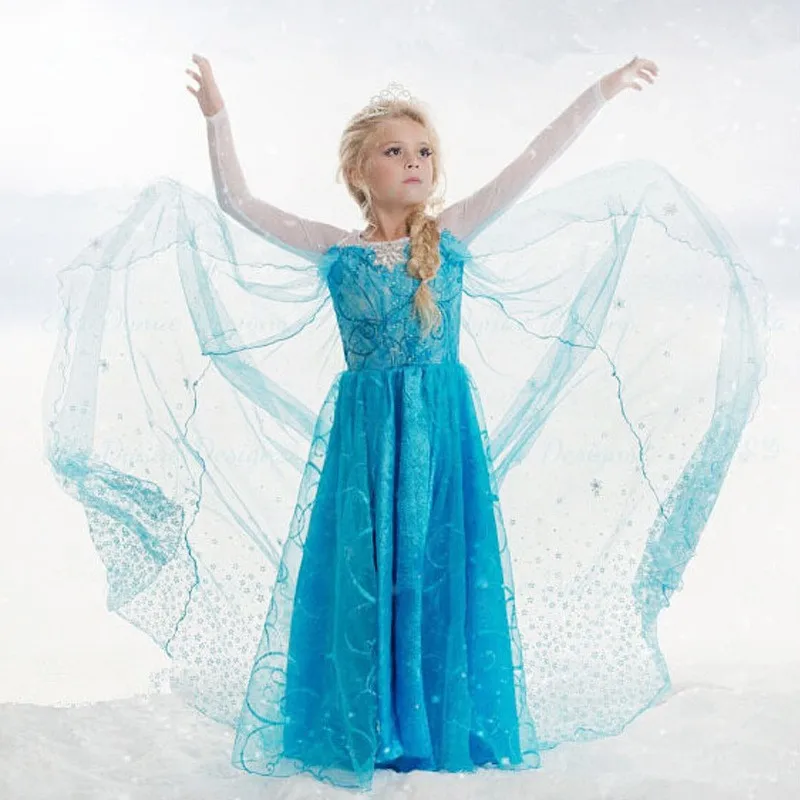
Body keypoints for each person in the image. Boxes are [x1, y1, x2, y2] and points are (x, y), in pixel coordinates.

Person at [43, 52, 767, 794]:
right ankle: (367, 719)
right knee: (364, 571)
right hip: (365, 439)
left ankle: (433, 717)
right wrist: (217, 116)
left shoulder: (449, 235)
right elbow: (236, 202)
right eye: (394, 151)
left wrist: (602, 91)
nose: (414, 163)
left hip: (441, 432)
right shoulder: (336, 249)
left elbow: (534, 160)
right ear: (359, 170)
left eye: (423, 152)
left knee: (436, 565)